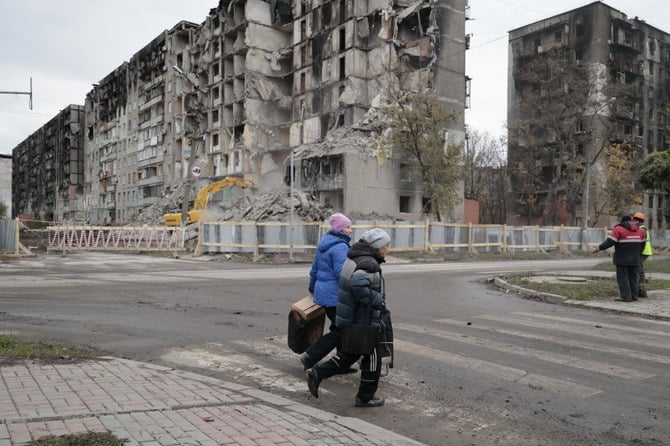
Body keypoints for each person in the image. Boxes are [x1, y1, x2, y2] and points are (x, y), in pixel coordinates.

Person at [306, 228, 391, 408]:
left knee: (350, 354)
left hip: (351, 317)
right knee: (373, 356)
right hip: (363, 319)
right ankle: (365, 397)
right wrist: (378, 300)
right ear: (377, 247)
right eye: (386, 245)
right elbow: (358, 287)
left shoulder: (354, 257)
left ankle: (318, 373)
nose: (388, 249)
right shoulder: (369, 264)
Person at [300, 213, 353, 371]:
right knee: (342, 329)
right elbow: (342, 273)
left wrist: (312, 289)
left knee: (340, 327)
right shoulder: (340, 246)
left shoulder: (325, 244)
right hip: (335, 295)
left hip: (323, 293)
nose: (350, 230)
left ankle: (342, 362)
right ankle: (311, 355)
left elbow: (314, 270)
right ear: (340, 229)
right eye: (347, 227)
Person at [592, 215, 646, 302]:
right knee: (633, 277)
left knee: (623, 277)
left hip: (622, 259)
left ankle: (626, 296)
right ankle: (634, 296)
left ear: (622, 222)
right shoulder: (641, 231)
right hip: (635, 259)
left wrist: (599, 248)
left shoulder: (618, 229)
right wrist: (637, 254)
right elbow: (643, 245)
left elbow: (609, 242)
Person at [632, 212, 653, 298]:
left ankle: (640, 291)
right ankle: (641, 291)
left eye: (635, 220)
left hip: (643, 252)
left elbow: (640, 242)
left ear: (638, 221)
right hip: (645, 252)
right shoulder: (644, 229)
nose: (633, 221)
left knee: (638, 271)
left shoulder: (641, 230)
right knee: (640, 271)